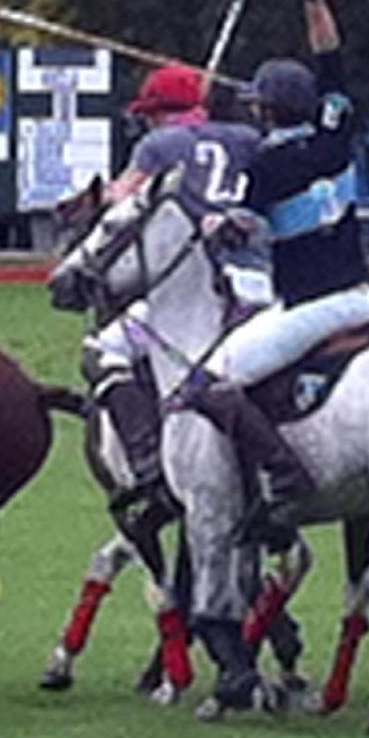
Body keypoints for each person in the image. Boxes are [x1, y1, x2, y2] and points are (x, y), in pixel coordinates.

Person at [186, 0, 369, 547]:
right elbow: (332, 58)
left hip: (311, 306)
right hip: (365, 298)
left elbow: (236, 230)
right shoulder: (337, 134)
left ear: (266, 111)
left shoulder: (264, 168)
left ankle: (282, 475)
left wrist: (214, 224)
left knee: (210, 383)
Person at [85, 62, 264, 532]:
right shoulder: (248, 139)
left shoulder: (157, 145)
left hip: (195, 286)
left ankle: (148, 464)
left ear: (160, 113)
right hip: (261, 280)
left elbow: (123, 201)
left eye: (149, 114)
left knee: (103, 350)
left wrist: (97, 196)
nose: (146, 123)